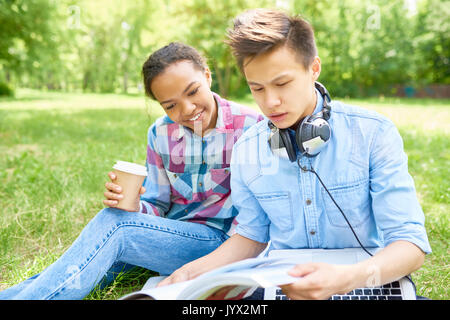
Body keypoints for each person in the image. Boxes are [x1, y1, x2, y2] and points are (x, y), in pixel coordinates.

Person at [158, 9, 432, 300]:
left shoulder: (373, 133)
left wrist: (345, 280)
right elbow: (251, 237)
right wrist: (192, 273)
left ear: (313, 69)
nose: (270, 102)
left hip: (364, 279)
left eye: (282, 84)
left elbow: (410, 245)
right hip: (283, 286)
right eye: (257, 89)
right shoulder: (247, 149)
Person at [0, 42, 263, 300]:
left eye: (193, 92)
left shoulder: (253, 127)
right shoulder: (160, 133)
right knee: (79, 265)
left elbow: (258, 220)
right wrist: (136, 206)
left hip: (221, 246)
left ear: (207, 76)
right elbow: (157, 204)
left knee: (115, 226)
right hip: (168, 239)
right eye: (170, 105)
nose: (187, 109)